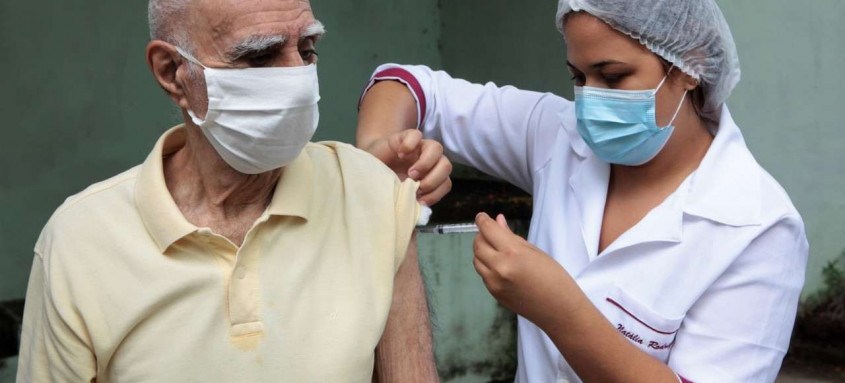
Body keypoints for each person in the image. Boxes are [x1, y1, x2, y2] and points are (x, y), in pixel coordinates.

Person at [356, 0, 808, 382]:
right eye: (578, 77)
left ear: (688, 67)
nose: (590, 100)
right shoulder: (559, 136)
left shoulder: (759, 227)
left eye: (612, 77)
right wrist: (380, 150)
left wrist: (559, 309)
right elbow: (407, 85)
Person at [16, 0, 442, 381]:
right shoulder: (79, 244)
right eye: (259, 56)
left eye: (307, 49)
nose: (296, 77)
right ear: (172, 73)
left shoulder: (370, 195)